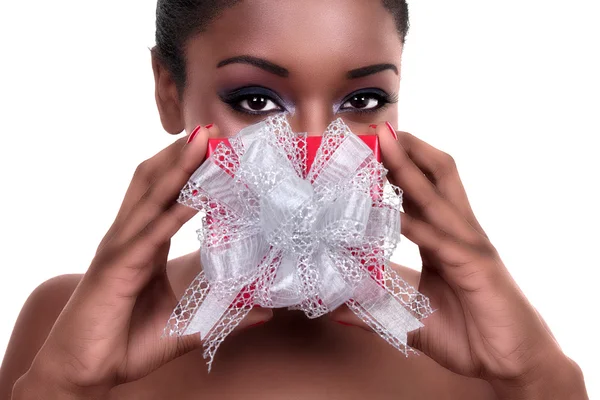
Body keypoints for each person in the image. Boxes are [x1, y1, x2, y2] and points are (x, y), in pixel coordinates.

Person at [1, 0, 589, 399]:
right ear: (169, 90)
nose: (313, 151)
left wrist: (538, 378)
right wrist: (62, 385)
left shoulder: (482, 345)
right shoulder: (60, 323)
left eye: (361, 101)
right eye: (256, 100)